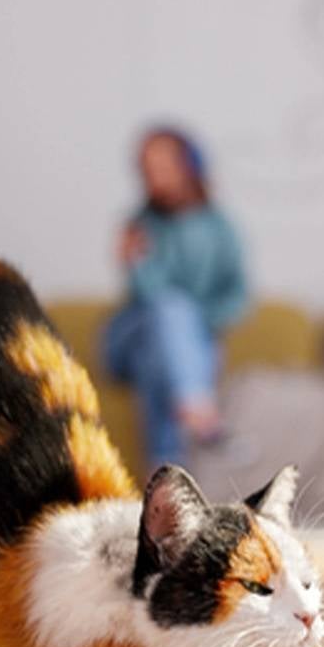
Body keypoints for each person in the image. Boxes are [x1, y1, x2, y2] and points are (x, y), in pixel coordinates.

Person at [102, 126, 249, 467]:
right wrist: (134, 263)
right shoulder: (138, 224)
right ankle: (201, 411)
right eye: (147, 169)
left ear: (190, 167)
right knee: (169, 309)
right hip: (125, 336)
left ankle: (164, 472)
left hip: (164, 349)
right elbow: (149, 295)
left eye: (163, 166)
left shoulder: (221, 227)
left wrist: (192, 328)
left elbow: (237, 296)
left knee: (157, 357)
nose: (154, 177)